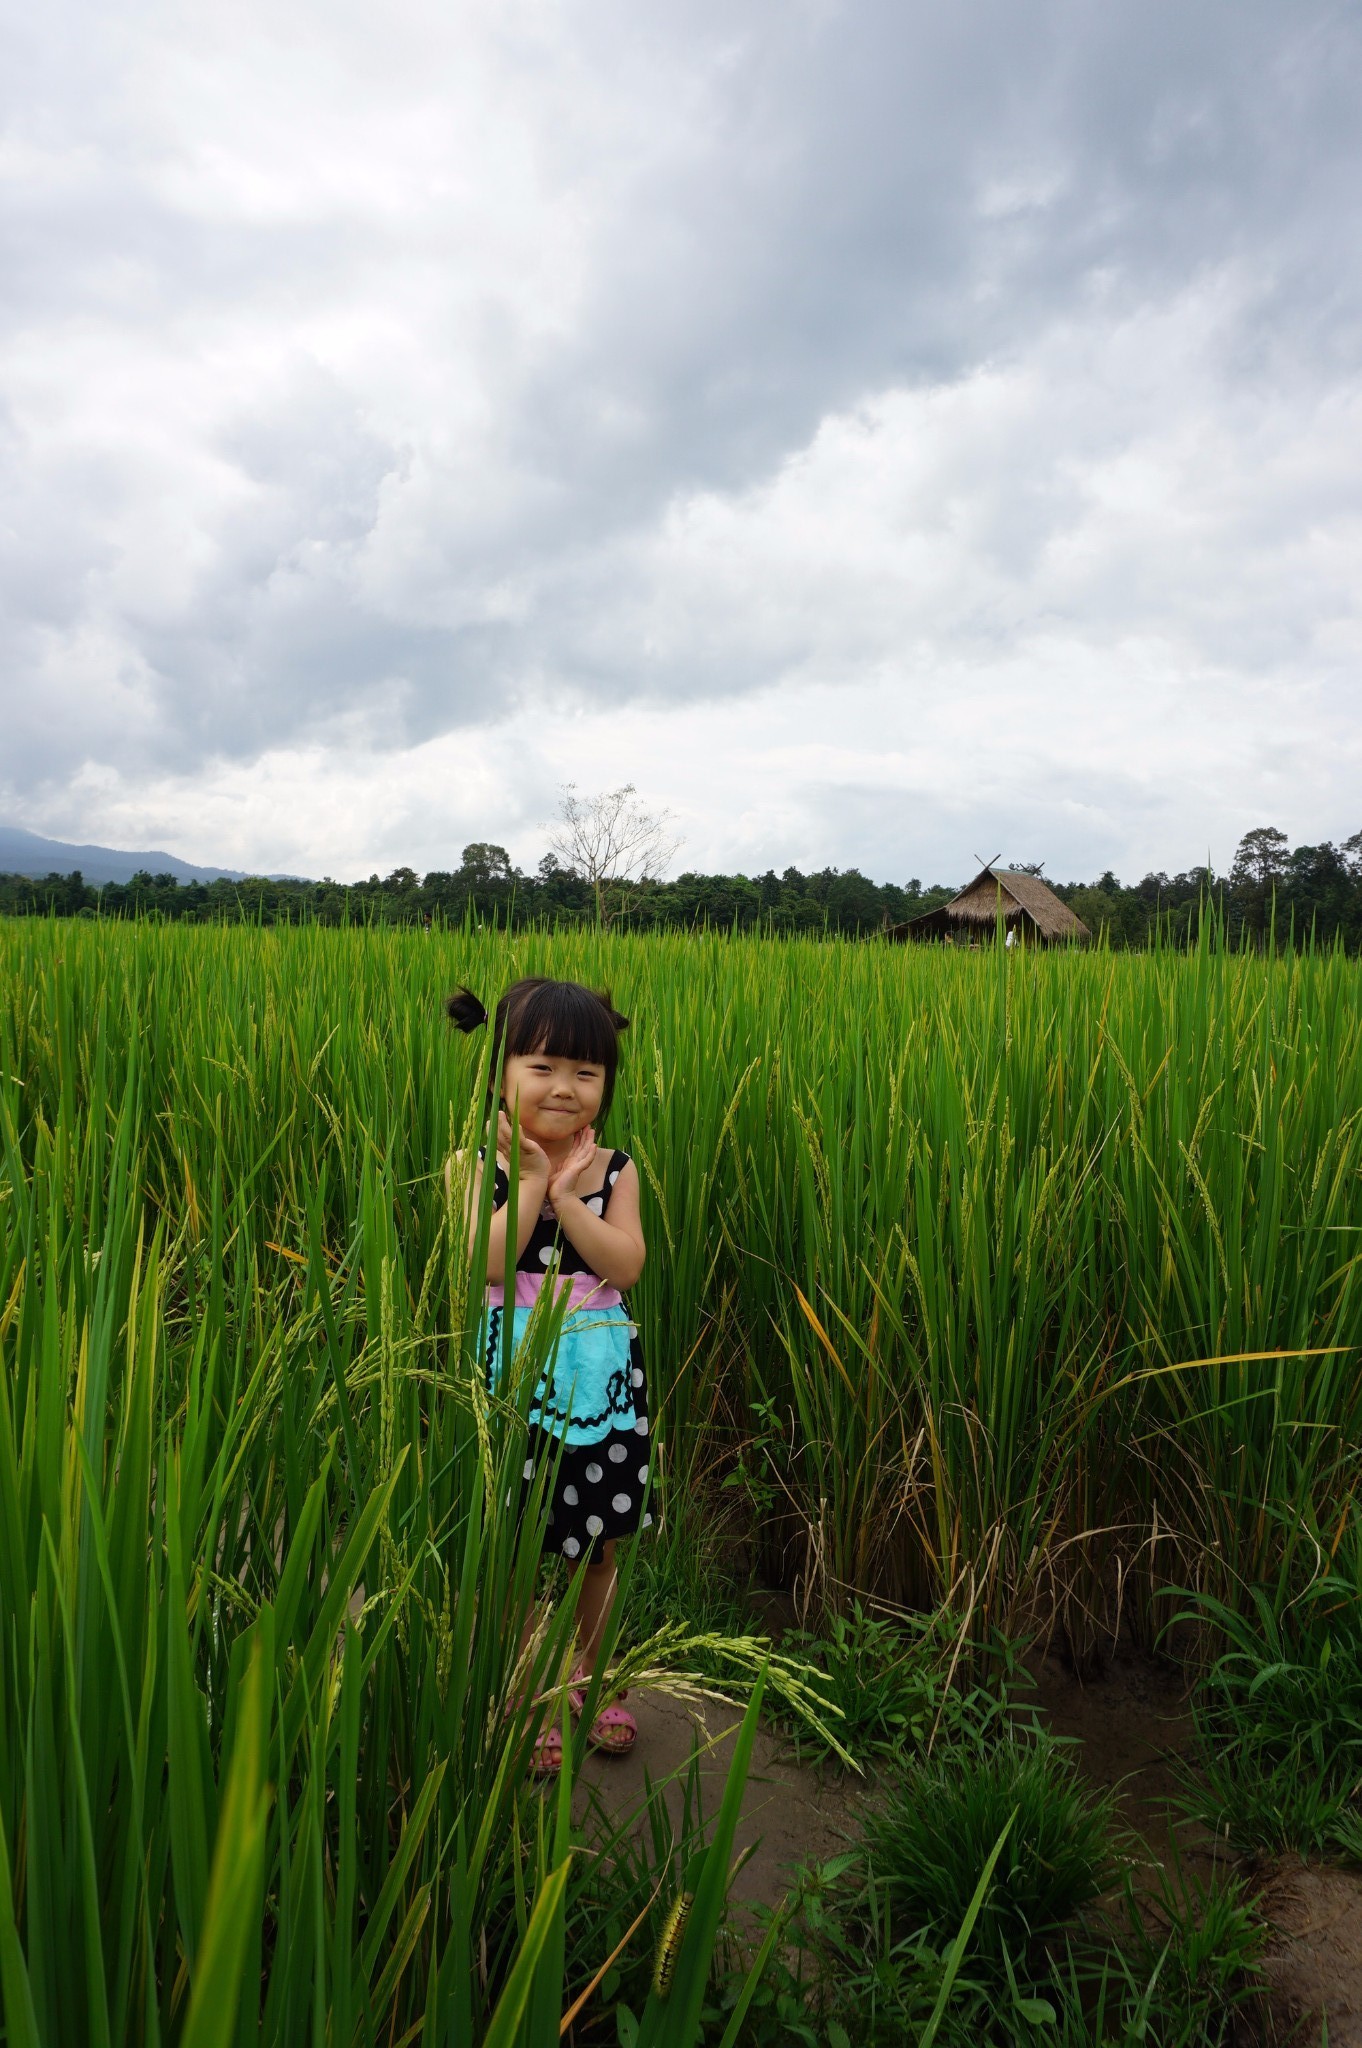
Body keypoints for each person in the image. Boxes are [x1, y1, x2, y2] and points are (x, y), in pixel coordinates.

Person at [447, 976, 651, 1769]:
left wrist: (571, 1202)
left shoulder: (616, 1170)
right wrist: (532, 1182)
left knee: (594, 1547)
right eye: (542, 1067)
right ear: (500, 1072)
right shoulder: (475, 1166)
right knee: (509, 1549)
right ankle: (515, 1687)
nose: (565, 1088)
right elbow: (485, 1267)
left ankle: (592, 1677)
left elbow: (625, 1266)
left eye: (587, 1072)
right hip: (511, 1390)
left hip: (598, 1385)